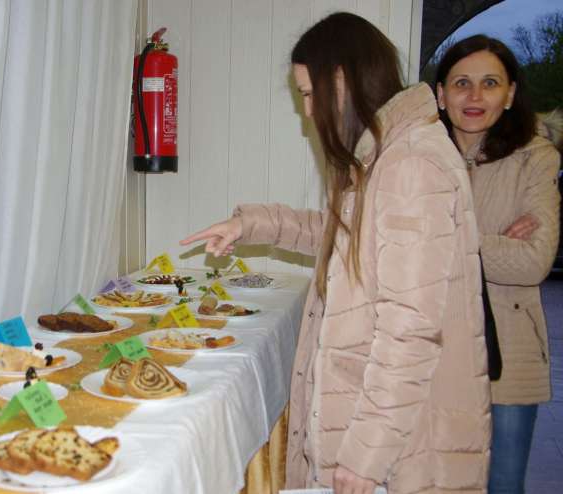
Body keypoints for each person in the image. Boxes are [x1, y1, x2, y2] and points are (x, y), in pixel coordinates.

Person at [180, 12, 491, 494]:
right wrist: (250, 224)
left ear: (341, 80)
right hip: (389, 432)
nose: (308, 111)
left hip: (402, 450)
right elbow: (340, 234)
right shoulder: (384, 154)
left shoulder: (410, 165)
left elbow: (409, 331)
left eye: (309, 94)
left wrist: (366, 455)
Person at [435, 35, 561, 494]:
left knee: (503, 485)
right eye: (461, 83)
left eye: (490, 83)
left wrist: (444, 239)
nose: (474, 95)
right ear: (440, 94)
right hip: (430, 349)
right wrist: (493, 243)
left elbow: (532, 262)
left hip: (509, 353)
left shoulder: (535, 157)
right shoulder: (418, 159)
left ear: (509, 94)